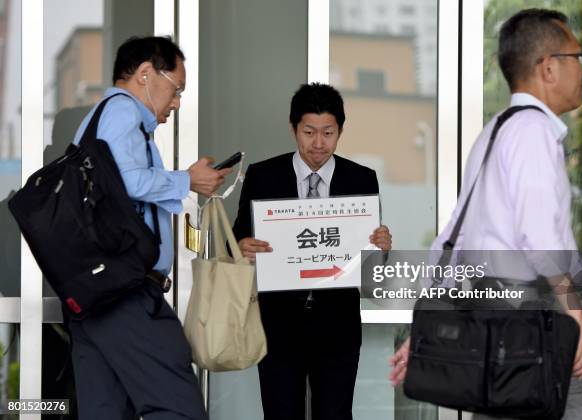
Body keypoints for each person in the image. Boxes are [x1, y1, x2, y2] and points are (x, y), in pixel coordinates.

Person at [389, 9, 582, 419]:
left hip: (494, 324)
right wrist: (575, 318)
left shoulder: (494, 132)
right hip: (536, 326)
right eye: (579, 57)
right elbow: (539, 239)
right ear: (549, 67)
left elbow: (452, 239)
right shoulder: (534, 131)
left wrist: (423, 328)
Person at [68, 36, 231, 420]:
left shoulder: (101, 116)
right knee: (178, 407)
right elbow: (124, 182)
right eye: (176, 90)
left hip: (95, 293)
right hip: (124, 292)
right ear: (145, 74)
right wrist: (187, 181)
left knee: (105, 410)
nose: (176, 103)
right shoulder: (123, 112)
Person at [233, 82, 392, 420]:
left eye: (328, 133)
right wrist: (242, 246)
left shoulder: (361, 179)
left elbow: (369, 264)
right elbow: (238, 239)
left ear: (340, 131)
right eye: (309, 132)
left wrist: (380, 248)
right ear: (293, 129)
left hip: (338, 325)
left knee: (335, 415)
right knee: (280, 414)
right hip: (278, 325)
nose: (318, 144)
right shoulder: (264, 176)